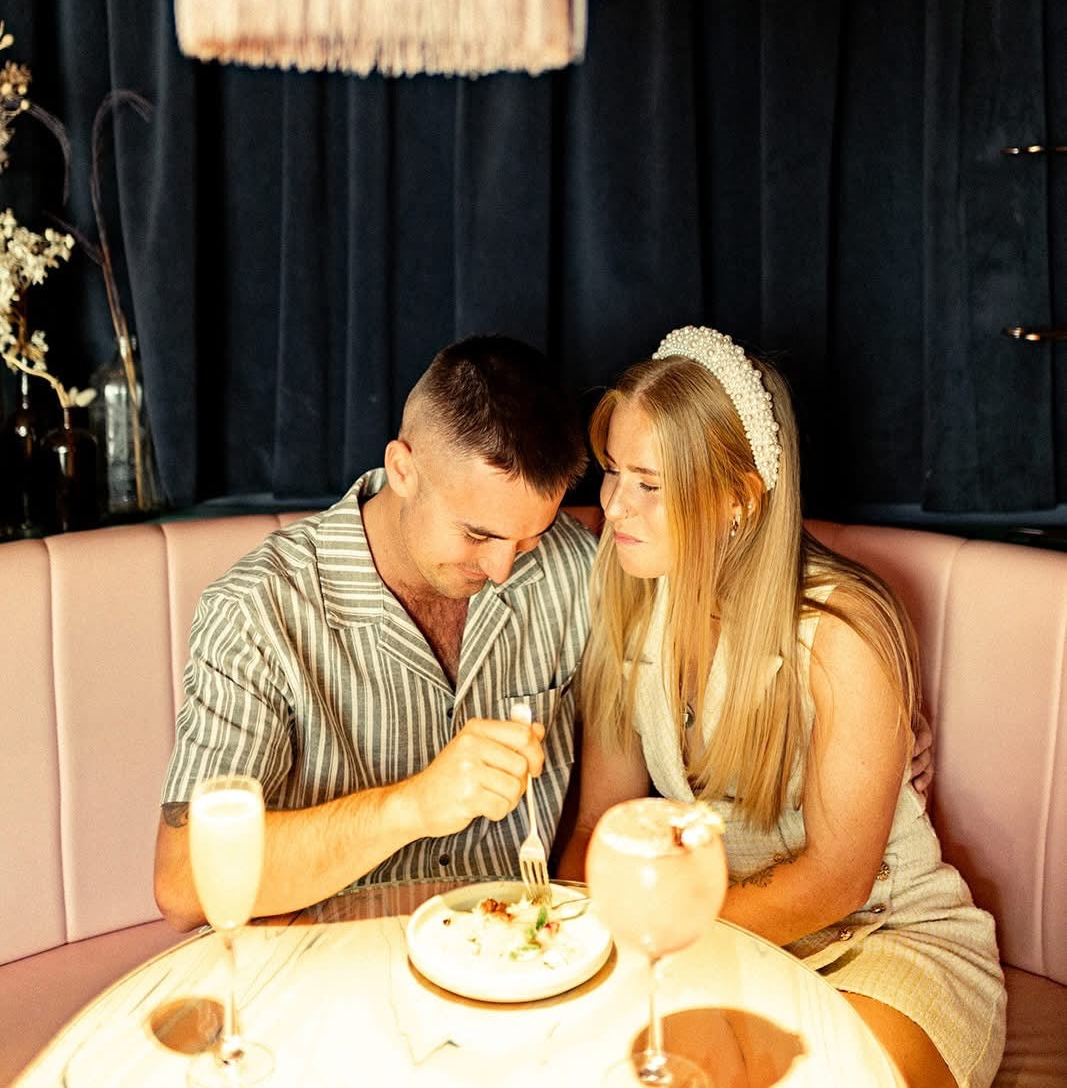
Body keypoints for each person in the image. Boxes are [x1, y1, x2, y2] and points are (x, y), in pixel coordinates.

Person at [558, 326, 1005, 1088]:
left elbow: (837, 881)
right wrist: (573, 942)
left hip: (880, 941)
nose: (612, 505)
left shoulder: (838, 632)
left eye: (648, 483)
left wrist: (650, 937)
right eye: (610, 472)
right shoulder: (631, 607)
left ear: (739, 497)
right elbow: (602, 826)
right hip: (717, 943)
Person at [154, 334, 595, 931]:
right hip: (330, 973)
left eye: (526, 539)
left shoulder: (574, 566)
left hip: (522, 962)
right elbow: (184, 879)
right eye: (478, 535)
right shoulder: (258, 611)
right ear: (402, 468)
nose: (500, 570)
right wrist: (413, 805)